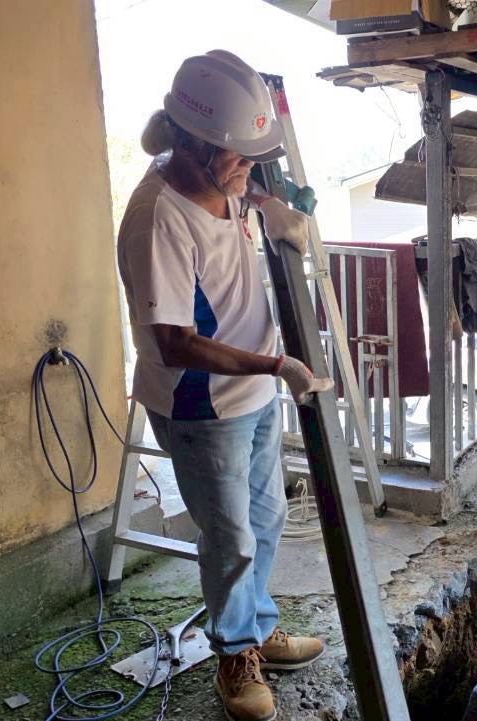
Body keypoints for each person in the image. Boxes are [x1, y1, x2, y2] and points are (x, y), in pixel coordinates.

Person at [117, 50, 333, 721]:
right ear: (193, 143)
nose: (248, 170)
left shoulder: (222, 174)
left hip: (254, 391)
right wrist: (273, 366)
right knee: (230, 537)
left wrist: (270, 206)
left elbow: (248, 187)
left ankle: (257, 627)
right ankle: (235, 655)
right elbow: (174, 342)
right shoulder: (159, 216)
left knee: (266, 519)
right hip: (202, 404)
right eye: (239, 159)